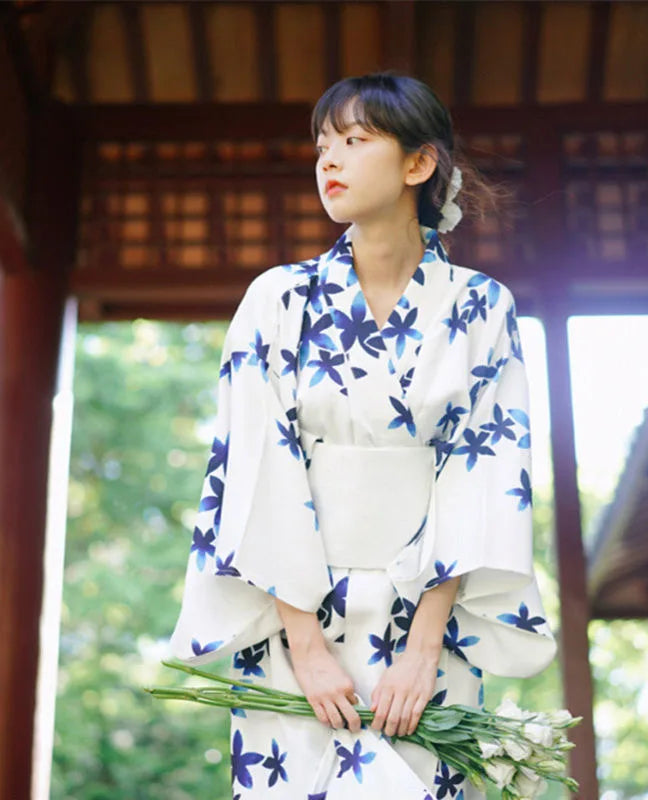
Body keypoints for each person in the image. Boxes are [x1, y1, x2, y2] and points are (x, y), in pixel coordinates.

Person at [169, 71, 557, 800]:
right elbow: (255, 467)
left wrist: (423, 651)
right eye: (322, 145)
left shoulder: (481, 308)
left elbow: (483, 476)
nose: (329, 161)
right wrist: (307, 648)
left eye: (354, 140)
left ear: (420, 163)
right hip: (294, 619)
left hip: (428, 627)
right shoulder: (277, 300)